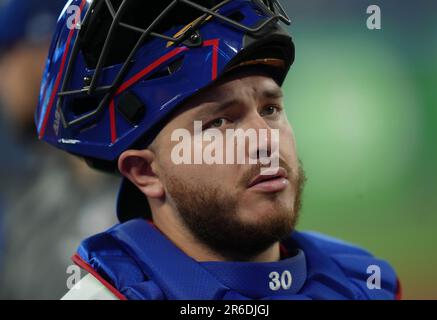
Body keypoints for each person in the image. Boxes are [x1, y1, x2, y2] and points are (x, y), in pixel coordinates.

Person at [36, 0, 400, 300]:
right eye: (219, 123)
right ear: (145, 173)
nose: (264, 140)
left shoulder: (367, 285)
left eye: (270, 109)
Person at [0, 0, 119, 299]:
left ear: (48, 54)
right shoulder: (32, 191)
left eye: (7, 58)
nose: (3, 82)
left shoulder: (138, 173)